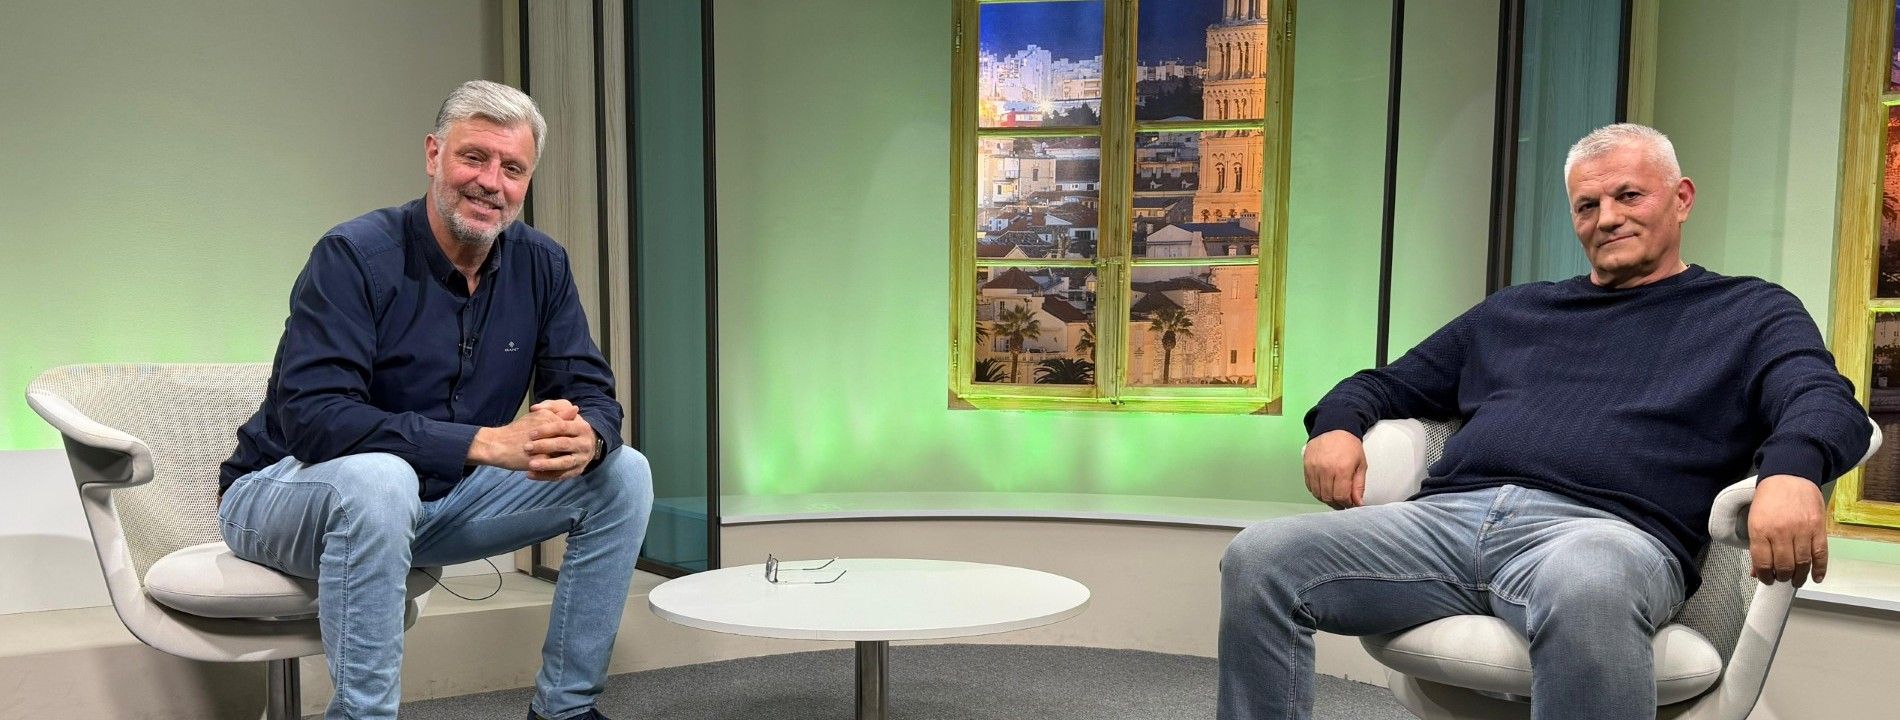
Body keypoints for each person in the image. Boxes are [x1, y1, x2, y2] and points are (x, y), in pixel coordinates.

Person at [1217, 123, 1870, 720]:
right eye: (1587, 206)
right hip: (1444, 523)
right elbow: (1384, 384)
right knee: (1260, 558)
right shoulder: (1516, 311)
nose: (1606, 218)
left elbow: (1823, 398)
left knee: (1587, 583)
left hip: (1605, 533)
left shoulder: (1748, 311)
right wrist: (1334, 425)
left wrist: (1792, 471)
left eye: (1628, 195)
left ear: (1681, 199)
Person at [218, 79, 651, 720]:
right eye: (474, 157)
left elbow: (589, 390)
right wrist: (483, 443)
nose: (491, 183)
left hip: (435, 503)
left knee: (623, 474)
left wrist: (587, 433)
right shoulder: (353, 256)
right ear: (433, 154)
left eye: (512, 169)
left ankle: (565, 709)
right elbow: (313, 419)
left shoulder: (543, 265)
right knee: (381, 479)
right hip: (283, 493)